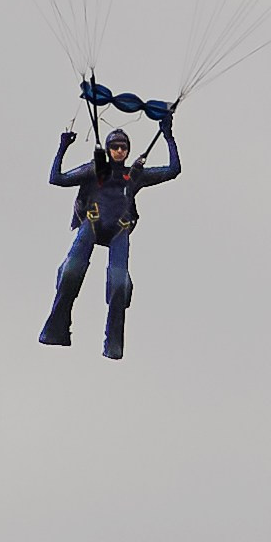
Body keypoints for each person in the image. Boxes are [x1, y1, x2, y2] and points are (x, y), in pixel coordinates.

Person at [38, 116, 180, 359]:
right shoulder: (94, 171)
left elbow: (173, 170)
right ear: (107, 148)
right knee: (72, 271)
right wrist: (63, 146)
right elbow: (57, 178)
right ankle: (56, 330)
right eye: (114, 147)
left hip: (119, 230)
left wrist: (168, 135)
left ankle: (113, 344)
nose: (119, 151)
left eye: (123, 147)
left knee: (118, 284)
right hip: (92, 223)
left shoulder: (135, 176)